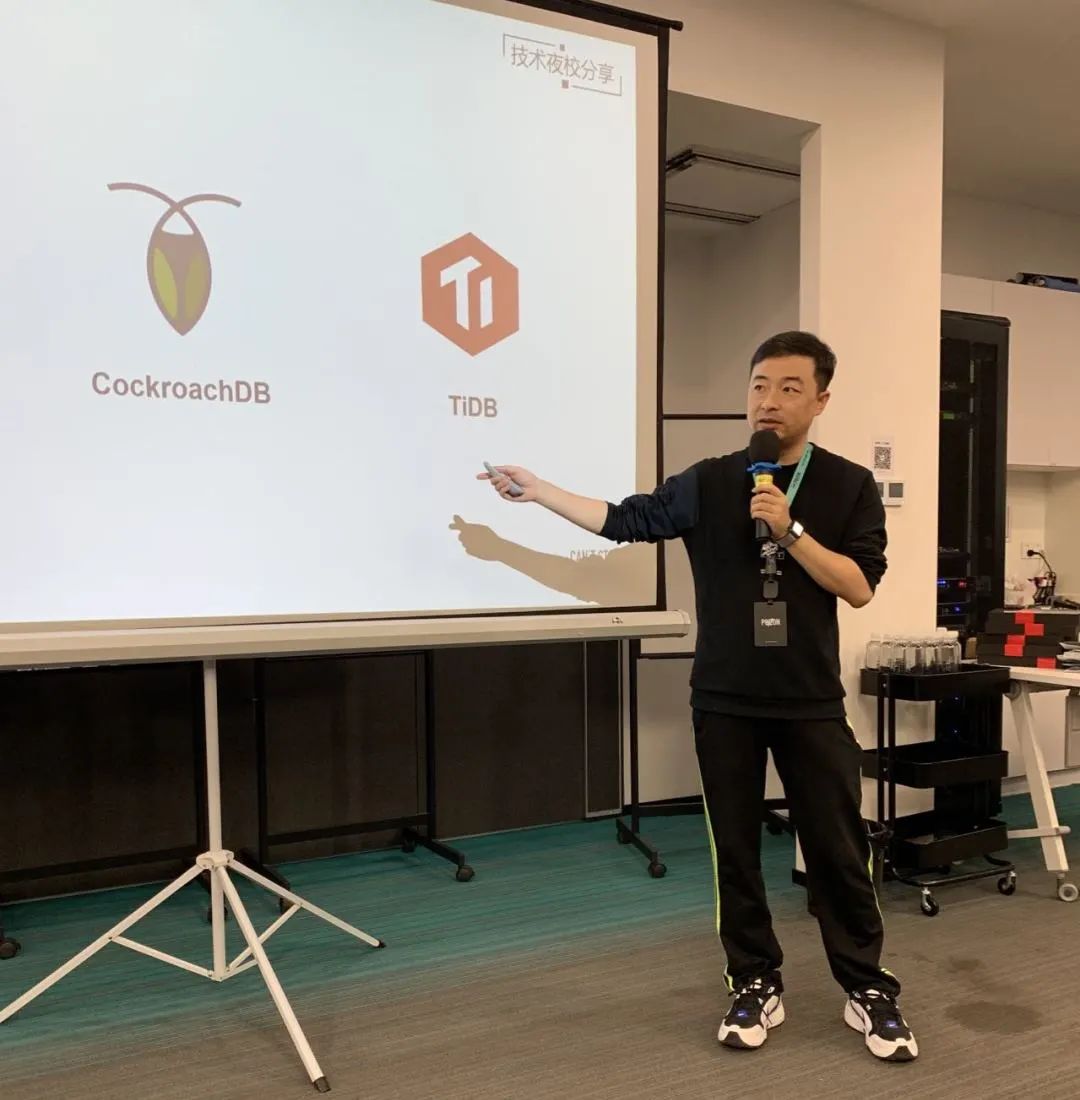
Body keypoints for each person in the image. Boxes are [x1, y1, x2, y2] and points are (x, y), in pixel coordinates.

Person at [479, 331, 917, 1062]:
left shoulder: (847, 485)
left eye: (788, 388)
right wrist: (540, 491)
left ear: (820, 400)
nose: (769, 401)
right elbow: (625, 519)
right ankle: (754, 980)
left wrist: (790, 529)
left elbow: (859, 586)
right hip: (723, 698)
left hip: (810, 700)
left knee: (839, 851)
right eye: (759, 386)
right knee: (735, 853)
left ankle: (868, 987)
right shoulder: (710, 481)